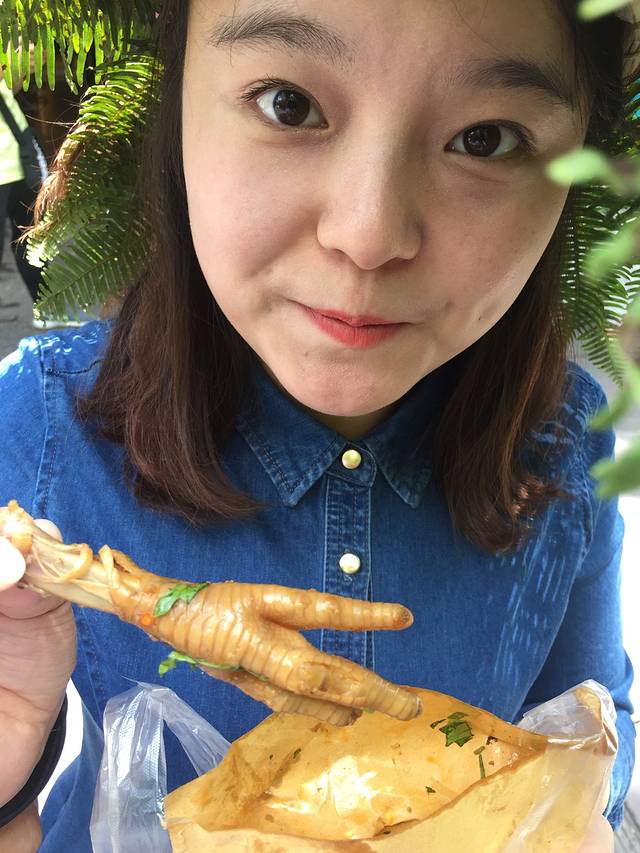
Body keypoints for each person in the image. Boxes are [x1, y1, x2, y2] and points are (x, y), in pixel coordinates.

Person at [0, 1, 637, 850]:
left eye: (484, 139)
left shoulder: (564, 440)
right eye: (289, 105)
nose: (368, 236)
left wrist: (571, 813)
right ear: (173, 107)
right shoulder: (39, 424)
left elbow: (594, 717)